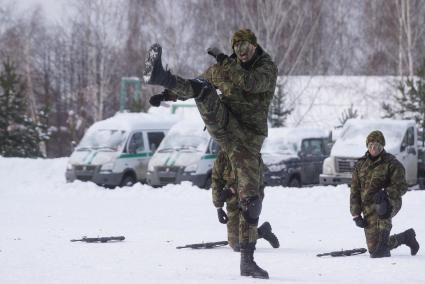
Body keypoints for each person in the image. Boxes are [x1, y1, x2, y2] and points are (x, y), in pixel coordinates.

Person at [144, 28, 277, 279]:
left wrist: (226, 61)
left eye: (245, 46)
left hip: (248, 140)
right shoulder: (223, 67)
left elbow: (249, 83)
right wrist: (166, 94)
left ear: (254, 45)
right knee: (204, 88)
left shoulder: (267, 68)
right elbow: (194, 85)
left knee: (251, 201)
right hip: (226, 128)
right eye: (236, 47)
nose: (241, 51)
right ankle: (161, 75)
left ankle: (247, 261)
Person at [350, 130, 420, 258]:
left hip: (390, 202)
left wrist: (386, 192)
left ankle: (383, 246)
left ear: (382, 146)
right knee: (373, 249)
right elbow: (354, 190)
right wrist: (355, 214)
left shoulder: (392, 163)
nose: (374, 148)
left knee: (382, 205)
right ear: (367, 146)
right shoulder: (360, 165)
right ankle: (406, 237)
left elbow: (403, 187)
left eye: (377, 145)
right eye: (371, 145)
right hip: (369, 207)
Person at [212, 150, 280, 252]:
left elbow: (254, 180)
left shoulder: (250, 151)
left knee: (244, 244)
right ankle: (263, 231)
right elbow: (216, 179)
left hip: (251, 199)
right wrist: (218, 207)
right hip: (233, 200)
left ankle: (252, 235)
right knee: (234, 242)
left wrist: (232, 189)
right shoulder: (223, 155)